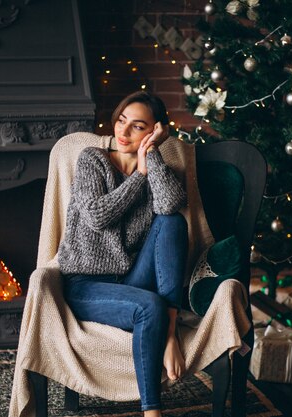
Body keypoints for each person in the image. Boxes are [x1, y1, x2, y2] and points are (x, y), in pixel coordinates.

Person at [57, 91, 188, 417]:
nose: (123, 132)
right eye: (121, 121)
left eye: (137, 126)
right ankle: (152, 411)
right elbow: (97, 216)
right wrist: (139, 176)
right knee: (148, 306)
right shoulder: (92, 159)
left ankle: (169, 330)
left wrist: (152, 156)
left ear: (153, 131)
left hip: (128, 279)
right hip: (84, 285)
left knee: (171, 221)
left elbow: (171, 205)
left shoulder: (154, 165)